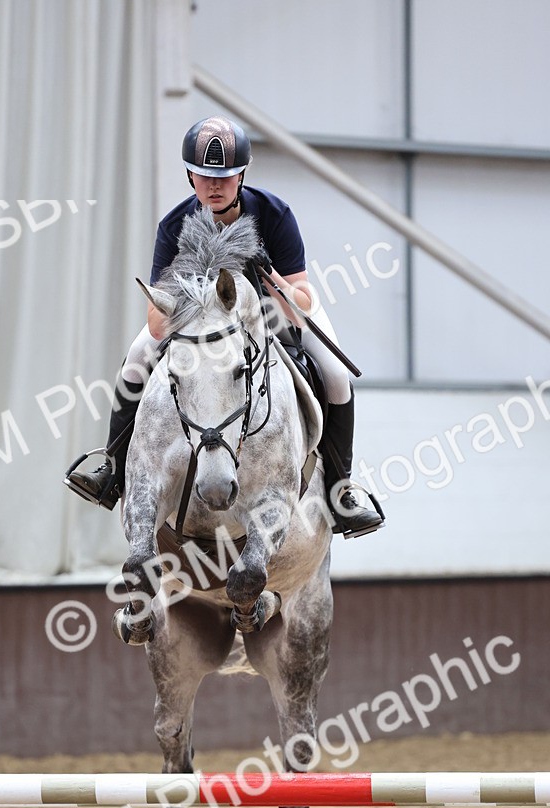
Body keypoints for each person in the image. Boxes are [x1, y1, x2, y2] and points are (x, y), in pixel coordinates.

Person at [67, 115, 383, 536]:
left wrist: (271, 280)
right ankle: (112, 465)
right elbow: (158, 326)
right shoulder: (173, 226)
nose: (214, 186)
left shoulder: (274, 214)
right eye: (204, 176)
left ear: (242, 176)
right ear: (190, 176)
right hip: (202, 324)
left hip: (270, 315)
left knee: (336, 375)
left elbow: (303, 300)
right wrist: (180, 298)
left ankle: (341, 489)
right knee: (137, 358)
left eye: (225, 177)